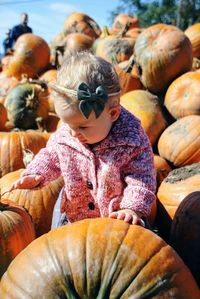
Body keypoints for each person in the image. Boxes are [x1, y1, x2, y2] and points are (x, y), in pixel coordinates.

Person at [9, 51, 156, 228]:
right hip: (74, 216)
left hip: (117, 219)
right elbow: (51, 155)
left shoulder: (131, 140)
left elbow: (141, 177)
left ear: (113, 114)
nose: (72, 133)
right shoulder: (67, 132)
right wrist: (36, 173)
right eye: (66, 123)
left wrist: (132, 209)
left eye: (83, 127)